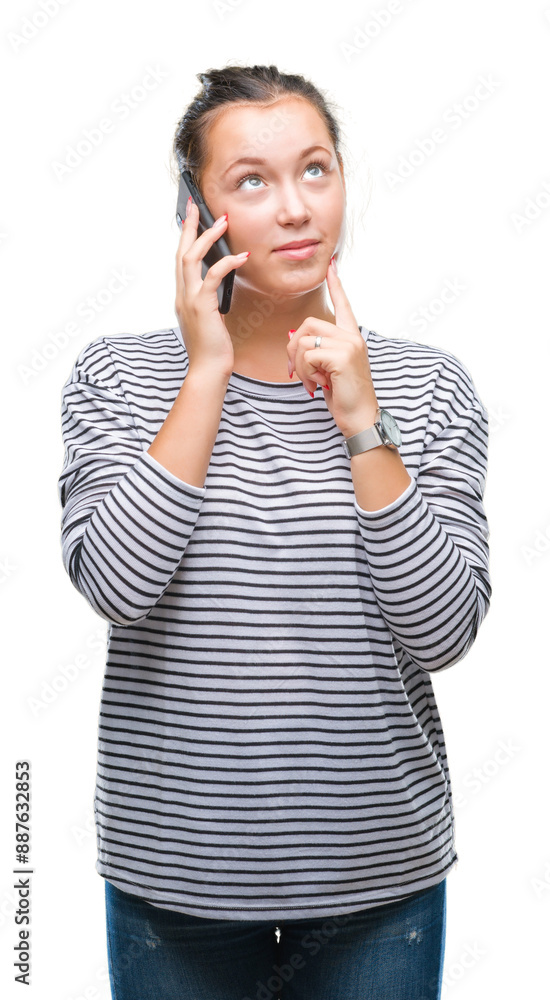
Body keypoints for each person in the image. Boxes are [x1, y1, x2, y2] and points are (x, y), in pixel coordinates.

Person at [57, 63, 491, 1000]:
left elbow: (444, 634)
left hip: (379, 874)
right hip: (175, 874)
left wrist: (363, 421)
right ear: (195, 212)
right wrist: (205, 370)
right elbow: (117, 588)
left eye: (315, 169)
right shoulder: (118, 378)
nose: (297, 208)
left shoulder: (427, 385)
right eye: (252, 180)